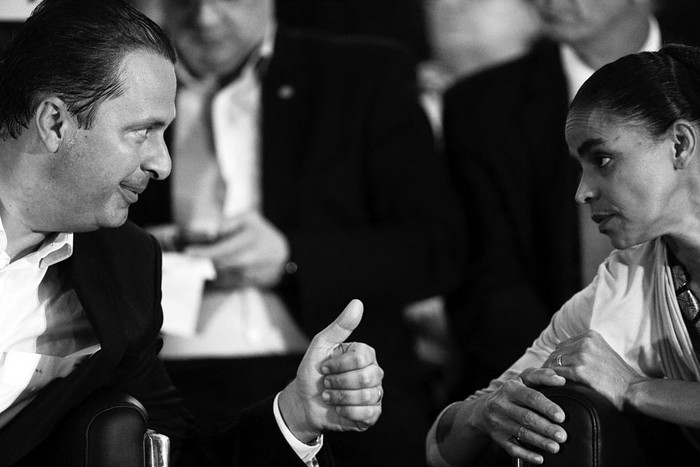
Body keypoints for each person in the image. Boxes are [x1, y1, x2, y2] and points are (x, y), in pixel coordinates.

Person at [0, 0, 384, 465]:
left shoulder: (125, 268)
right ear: (55, 123)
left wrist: (296, 416)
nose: (162, 163)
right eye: (142, 132)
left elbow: (176, 455)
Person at [127, 1, 465, 465]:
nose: (204, 18)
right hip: (169, 379)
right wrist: (139, 251)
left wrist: (290, 256)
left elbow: (434, 248)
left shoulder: (362, 74)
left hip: (331, 370)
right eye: (185, 0)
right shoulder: (126, 84)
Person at [427, 43, 700, 466]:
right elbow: (439, 448)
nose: (582, 192)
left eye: (603, 159)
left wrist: (634, 388)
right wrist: (484, 413)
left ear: (680, 144)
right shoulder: (624, 281)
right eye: (579, 167)